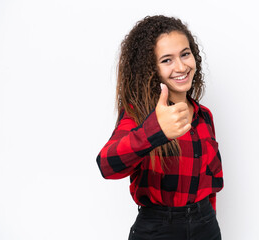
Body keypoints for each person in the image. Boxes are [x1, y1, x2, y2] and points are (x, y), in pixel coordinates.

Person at [96, 15, 224, 240]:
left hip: (206, 227)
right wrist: (154, 131)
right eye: (167, 60)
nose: (181, 66)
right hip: (158, 230)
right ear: (151, 68)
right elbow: (107, 165)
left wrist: (209, 220)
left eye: (185, 54)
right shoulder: (139, 115)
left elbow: (211, 187)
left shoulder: (205, 117)